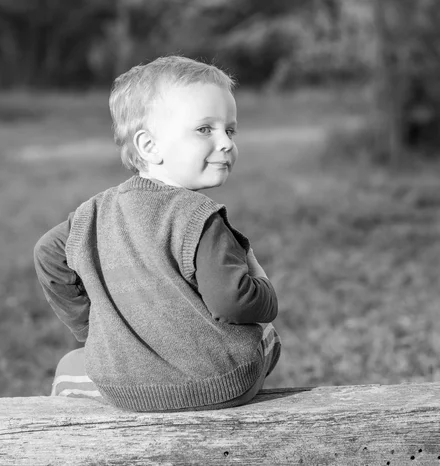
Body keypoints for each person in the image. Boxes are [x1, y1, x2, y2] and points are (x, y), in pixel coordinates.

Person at [34, 55, 281, 412]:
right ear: (149, 146)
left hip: (124, 389)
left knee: (73, 362)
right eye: (204, 130)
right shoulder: (199, 217)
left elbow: (48, 254)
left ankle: (81, 382)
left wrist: (97, 334)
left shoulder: (91, 214)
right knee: (267, 337)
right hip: (219, 384)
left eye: (230, 130)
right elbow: (234, 302)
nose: (225, 143)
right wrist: (264, 286)